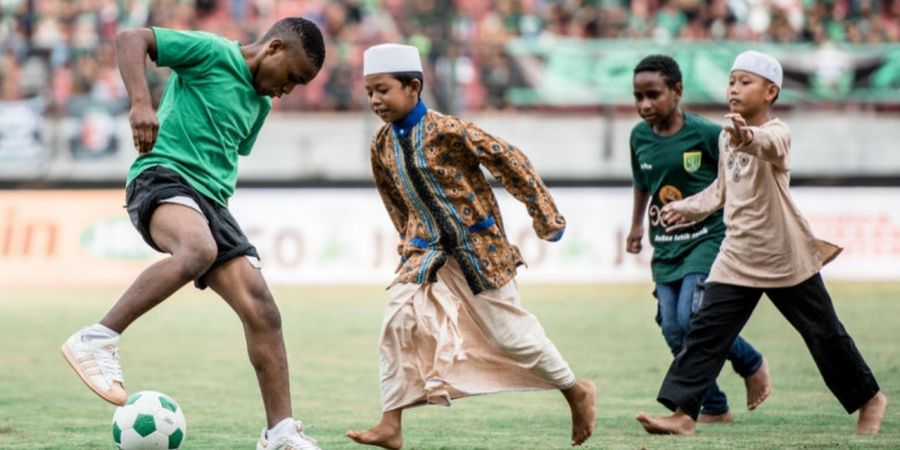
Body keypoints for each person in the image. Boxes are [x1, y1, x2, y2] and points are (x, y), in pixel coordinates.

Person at [59, 18, 327, 450]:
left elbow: (223, 150)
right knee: (197, 249)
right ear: (274, 48)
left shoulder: (260, 106)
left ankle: (279, 434)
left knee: (263, 310)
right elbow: (132, 38)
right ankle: (97, 338)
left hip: (212, 204)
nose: (287, 90)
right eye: (292, 78)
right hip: (161, 178)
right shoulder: (212, 52)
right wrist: (141, 103)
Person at [346, 43, 596, 449]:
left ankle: (574, 390)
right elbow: (393, 197)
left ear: (413, 87)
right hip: (426, 250)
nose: (374, 100)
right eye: (369, 91)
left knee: (512, 336)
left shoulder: (449, 130)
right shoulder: (381, 145)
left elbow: (510, 160)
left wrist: (545, 215)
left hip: (479, 250)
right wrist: (405, 240)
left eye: (383, 90)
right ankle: (391, 423)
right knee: (397, 321)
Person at [635, 50, 887, 436]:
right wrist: (685, 207)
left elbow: (767, 144)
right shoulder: (724, 137)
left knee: (823, 333)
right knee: (705, 330)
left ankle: (870, 400)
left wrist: (745, 135)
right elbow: (721, 189)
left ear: (771, 91)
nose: (734, 89)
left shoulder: (777, 133)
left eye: (745, 82)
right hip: (737, 255)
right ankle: (686, 414)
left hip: (783, 255)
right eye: (732, 81)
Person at [626, 54, 771, 423]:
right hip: (666, 245)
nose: (644, 104)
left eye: (653, 94)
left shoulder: (706, 134)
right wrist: (637, 226)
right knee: (673, 329)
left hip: (707, 238)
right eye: (638, 96)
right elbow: (643, 184)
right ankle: (715, 406)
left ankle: (750, 362)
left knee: (693, 316)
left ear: (677, 91)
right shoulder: (638, 137)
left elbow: (731, 181)